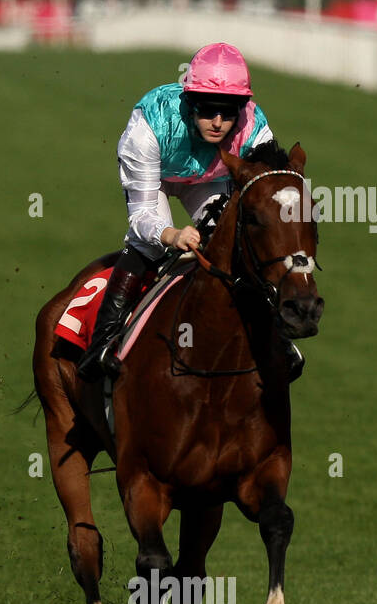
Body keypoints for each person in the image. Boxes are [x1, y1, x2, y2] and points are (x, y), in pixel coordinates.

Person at [76, 41, 303, 381]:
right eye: (208, 109)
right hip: (153, 176)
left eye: (228, 113)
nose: (217, 122)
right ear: (191, 103)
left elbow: (266, 187)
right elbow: (141, 219)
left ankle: (275, 336)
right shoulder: (150, 124)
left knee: (233, 242)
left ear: (241, 108)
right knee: (150, 245)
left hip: (206, 180)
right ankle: (103, 343)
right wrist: (172, 234)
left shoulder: (254, 127)